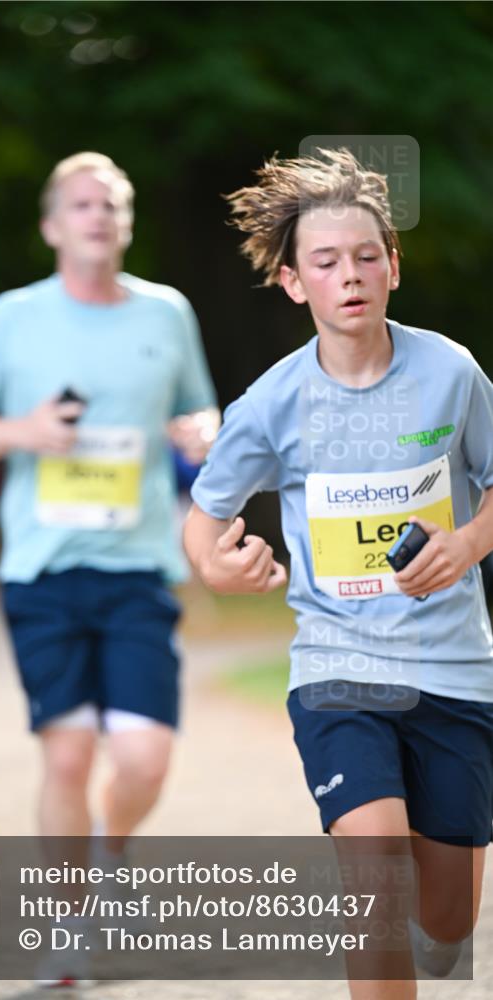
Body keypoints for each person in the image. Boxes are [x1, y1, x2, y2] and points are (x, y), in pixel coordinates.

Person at [184, 148, 493, 1000]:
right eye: (324, 262)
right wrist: (223, 566)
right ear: (293, 283)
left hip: (454, 671)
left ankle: (437, 938)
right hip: (337, 668)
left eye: (365, 256)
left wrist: (465, 544)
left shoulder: (451, 374)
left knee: (447, 918)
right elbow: (203, 524)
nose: (348, 275)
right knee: (374, 875)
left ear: (392, 266)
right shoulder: (270, 404)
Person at [0, 153, 218, 980]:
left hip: (137, 570)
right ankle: (68, 930)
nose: (98, 216)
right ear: (54, 225)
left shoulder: (167, 314)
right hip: (44, 574)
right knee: (66, 754)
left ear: (125, 224)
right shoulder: (13, 319)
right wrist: (24, 432)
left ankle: (107, 859)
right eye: (82, 205)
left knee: (143, 758)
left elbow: (195, 409)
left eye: (113, 205)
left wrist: (200, 433)